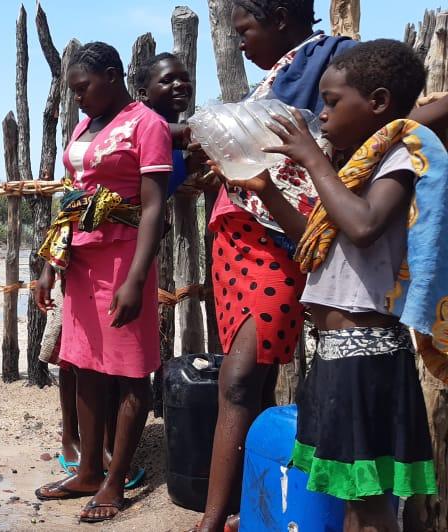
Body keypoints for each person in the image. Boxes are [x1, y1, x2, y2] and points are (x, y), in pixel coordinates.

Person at [224, 39, 439, 531]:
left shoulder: (399, 160)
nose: (321, 114)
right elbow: (315, 249)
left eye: (333, 101)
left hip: (367, 358)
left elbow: (362, 226)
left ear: (379, 103)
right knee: (347, 498)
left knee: (368, 504)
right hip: (338, 356)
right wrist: (269, 191)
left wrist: (310, 159)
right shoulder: (353, 170)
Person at [191, 2, 356, 528]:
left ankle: (212, 520)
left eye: (246, 30)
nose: (240, 41)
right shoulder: (277, 78)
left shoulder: (335, 61)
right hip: (234, 237)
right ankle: (249, 506)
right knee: (253, 381)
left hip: (278, 239)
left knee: (238, 377)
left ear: (281, 18)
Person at [31, 41, 169, 523]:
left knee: (131, 371)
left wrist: (136, 279)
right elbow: (73, 200)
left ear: (113, 76)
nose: (78, 99)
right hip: (82, 263)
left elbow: (153, 207)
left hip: (124, 262)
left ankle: (115, 482)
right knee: (83, 364)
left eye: (84, 88)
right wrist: (50, 264)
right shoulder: (83, 126)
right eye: (72, 92)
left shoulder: (146, 125)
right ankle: (89, 469)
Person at [133, 52, 195, 197]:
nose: (180, 84)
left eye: (185, 78)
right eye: (167, 80)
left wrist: (190, 165)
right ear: (144, 94)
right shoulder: (135, 128)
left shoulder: (177, 142)